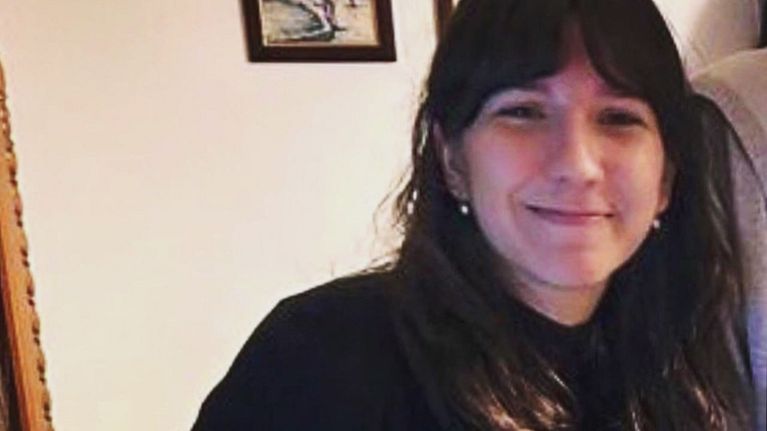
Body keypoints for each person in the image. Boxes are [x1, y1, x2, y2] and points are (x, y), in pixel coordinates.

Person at [193, 0, 756, 429]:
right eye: (523, 112)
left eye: (618, 118)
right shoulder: (322, 357)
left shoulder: (686, 369)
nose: (578, 164)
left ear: (666, 178)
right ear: (453, 160)